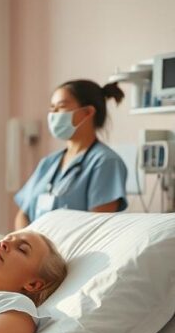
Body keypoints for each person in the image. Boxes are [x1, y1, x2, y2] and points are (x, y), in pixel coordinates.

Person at [14, 79, 130, 230]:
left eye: (61, 107)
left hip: (69, 252)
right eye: (52, 108)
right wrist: (24, 243)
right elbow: (22, 214)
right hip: (30, 249)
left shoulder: (105, 162)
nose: (53, 114)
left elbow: (96, 227)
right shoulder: (48, 162)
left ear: (88, 112)